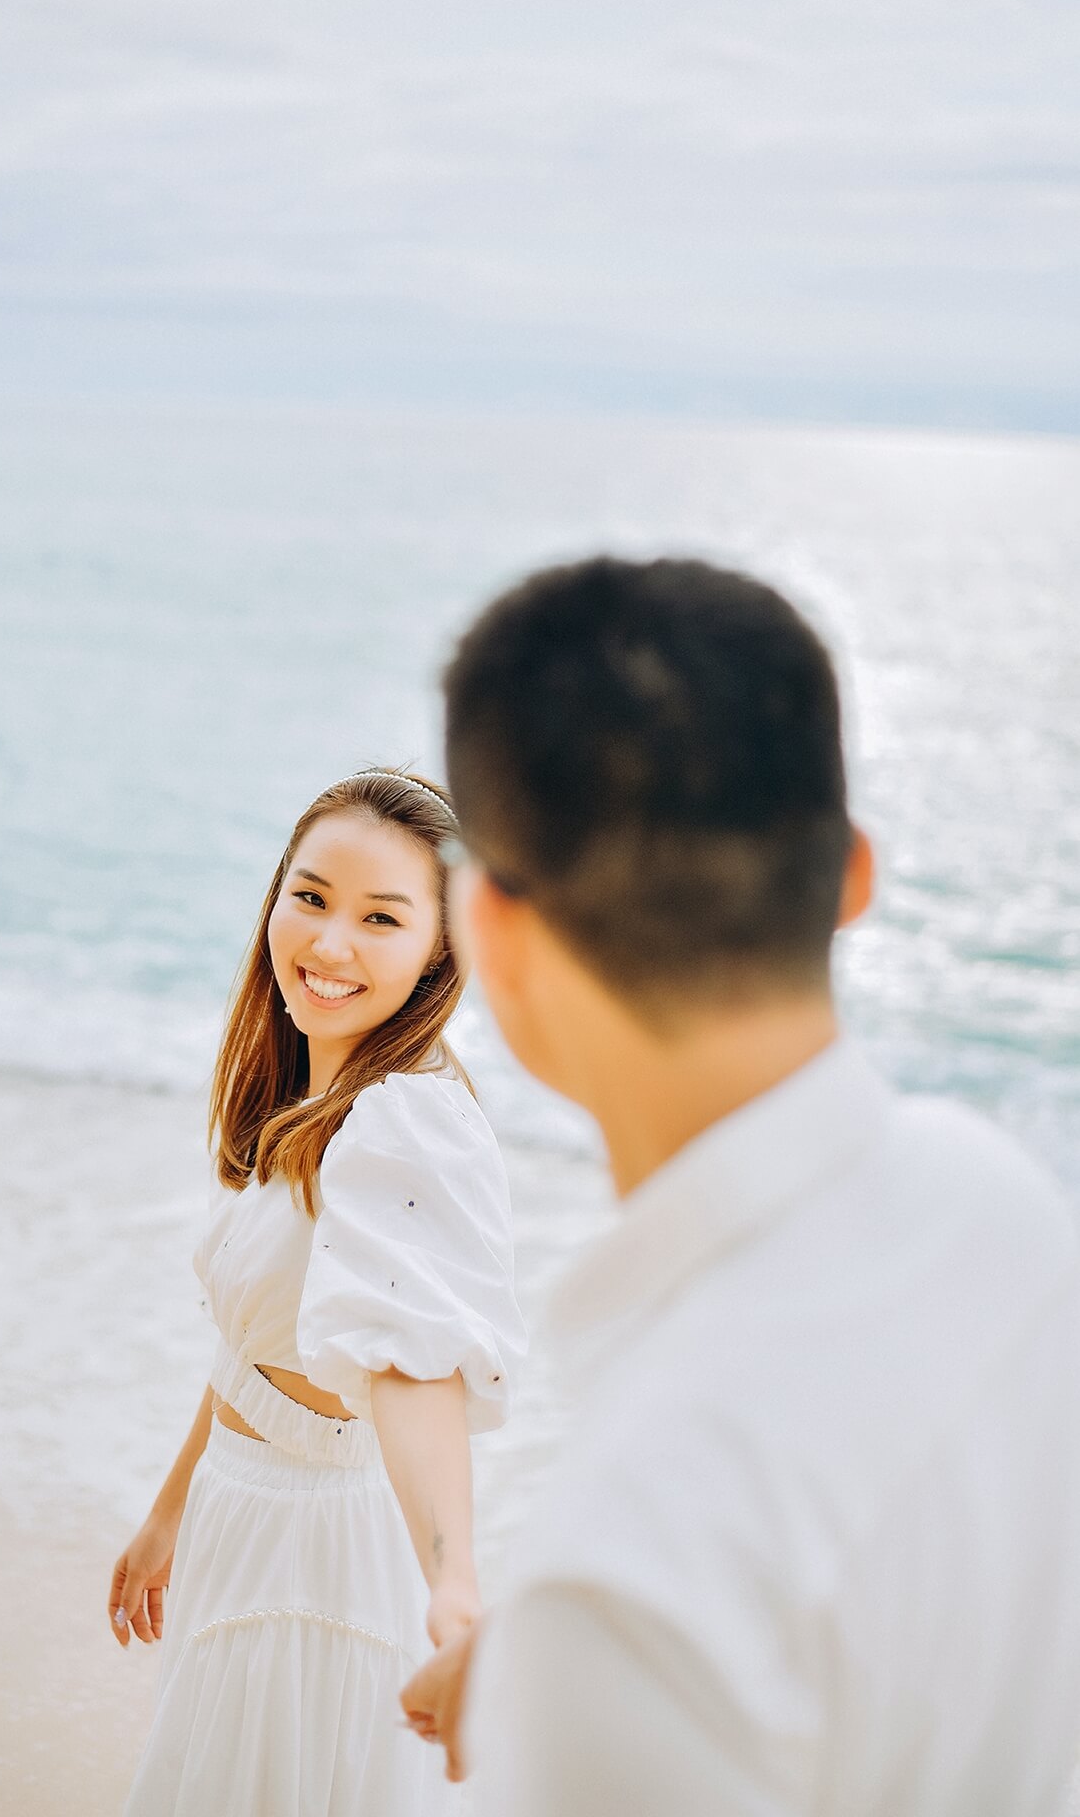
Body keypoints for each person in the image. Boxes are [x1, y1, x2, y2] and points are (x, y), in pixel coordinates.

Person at [401, 555, 1080, 1814]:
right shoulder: (1013, 1212)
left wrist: (577, 1678)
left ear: (492, 938)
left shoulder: (621, 1589)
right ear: (853, 877)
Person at [112, 766, 527, 1817]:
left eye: (380, 917)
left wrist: (454, 1581)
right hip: (237, 1515)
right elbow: (251, 1358)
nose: (328, 943)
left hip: (315, 1559)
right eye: (309, 896)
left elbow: (410, 1356)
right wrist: (168, 1513)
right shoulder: (312, 1099)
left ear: (441, 947)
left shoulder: (402, 1120)